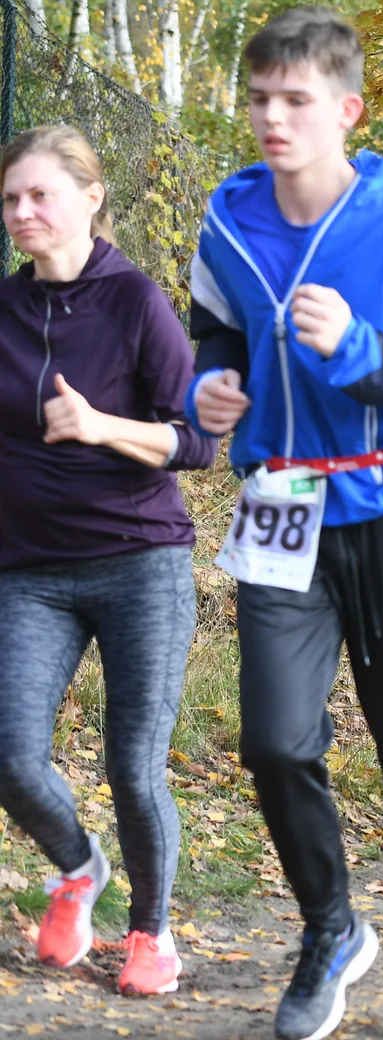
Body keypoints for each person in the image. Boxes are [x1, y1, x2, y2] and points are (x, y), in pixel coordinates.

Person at [185, 8, 383, 1040]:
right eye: (260, 98)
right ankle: (331, 928)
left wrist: (364, 347)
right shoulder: (226, 223)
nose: (273, 117)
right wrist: (213, 387)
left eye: (297, 100)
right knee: (275, 740)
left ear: (347, 110)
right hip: (281, 506)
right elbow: (212, 337)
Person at [0, 126, 216, 997]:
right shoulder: (4, 310)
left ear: (90, 197)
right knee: (11, 754)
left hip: (139, 563)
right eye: (11, 198)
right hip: (29, 568)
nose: (21, 213)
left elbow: (199, 440)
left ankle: (151, 933)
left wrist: (98, 426)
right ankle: (79, 868)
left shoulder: (134, 302)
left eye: (39, 195)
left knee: (133, 764)